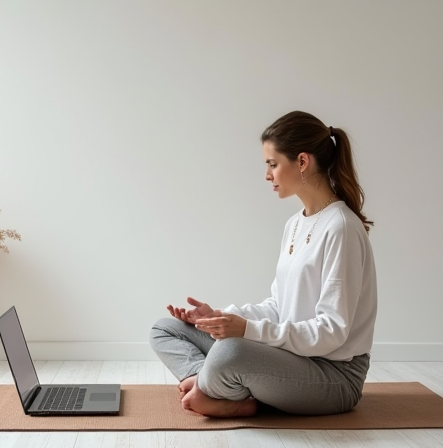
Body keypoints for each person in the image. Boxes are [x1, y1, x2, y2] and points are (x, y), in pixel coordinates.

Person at [149, 110, 377, 417]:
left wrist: (247, 331)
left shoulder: (341, 227)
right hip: (290, 356)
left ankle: (216, 385)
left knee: (231, 351)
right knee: (167, 329)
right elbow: (279, 305)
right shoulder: (295, 224)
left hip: (333, 375)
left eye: (272, 164)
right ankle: (204, 383)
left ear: (302, 162)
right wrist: (222, 317)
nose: (267, 175)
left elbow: (332, 332)